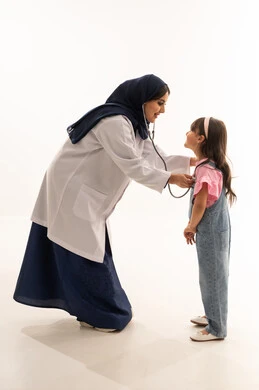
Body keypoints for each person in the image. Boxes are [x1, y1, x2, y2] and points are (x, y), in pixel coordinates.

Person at [13, 74, 194, 332]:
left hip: (84, 195)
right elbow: (132, 164)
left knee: (81, 247)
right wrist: (170, 178)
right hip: (71, 191)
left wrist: (191, 163)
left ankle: (91, 310)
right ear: (143, 99)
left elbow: (154, 157)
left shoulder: (133, 124)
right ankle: (101, 314)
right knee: (81, 250)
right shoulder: (115, 122)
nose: (163, 110)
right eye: (159, 103)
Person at [183, 117, 236, 341]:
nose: (186, 132)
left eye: (190, 130)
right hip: (219, 231)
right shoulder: (210, 165)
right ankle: (213, 315)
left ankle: (216, 328)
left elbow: (201, 204)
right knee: (215, 275)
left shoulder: (205, 171)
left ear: (200, 138)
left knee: (211, 277)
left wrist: (191, 226)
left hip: (210, 233)